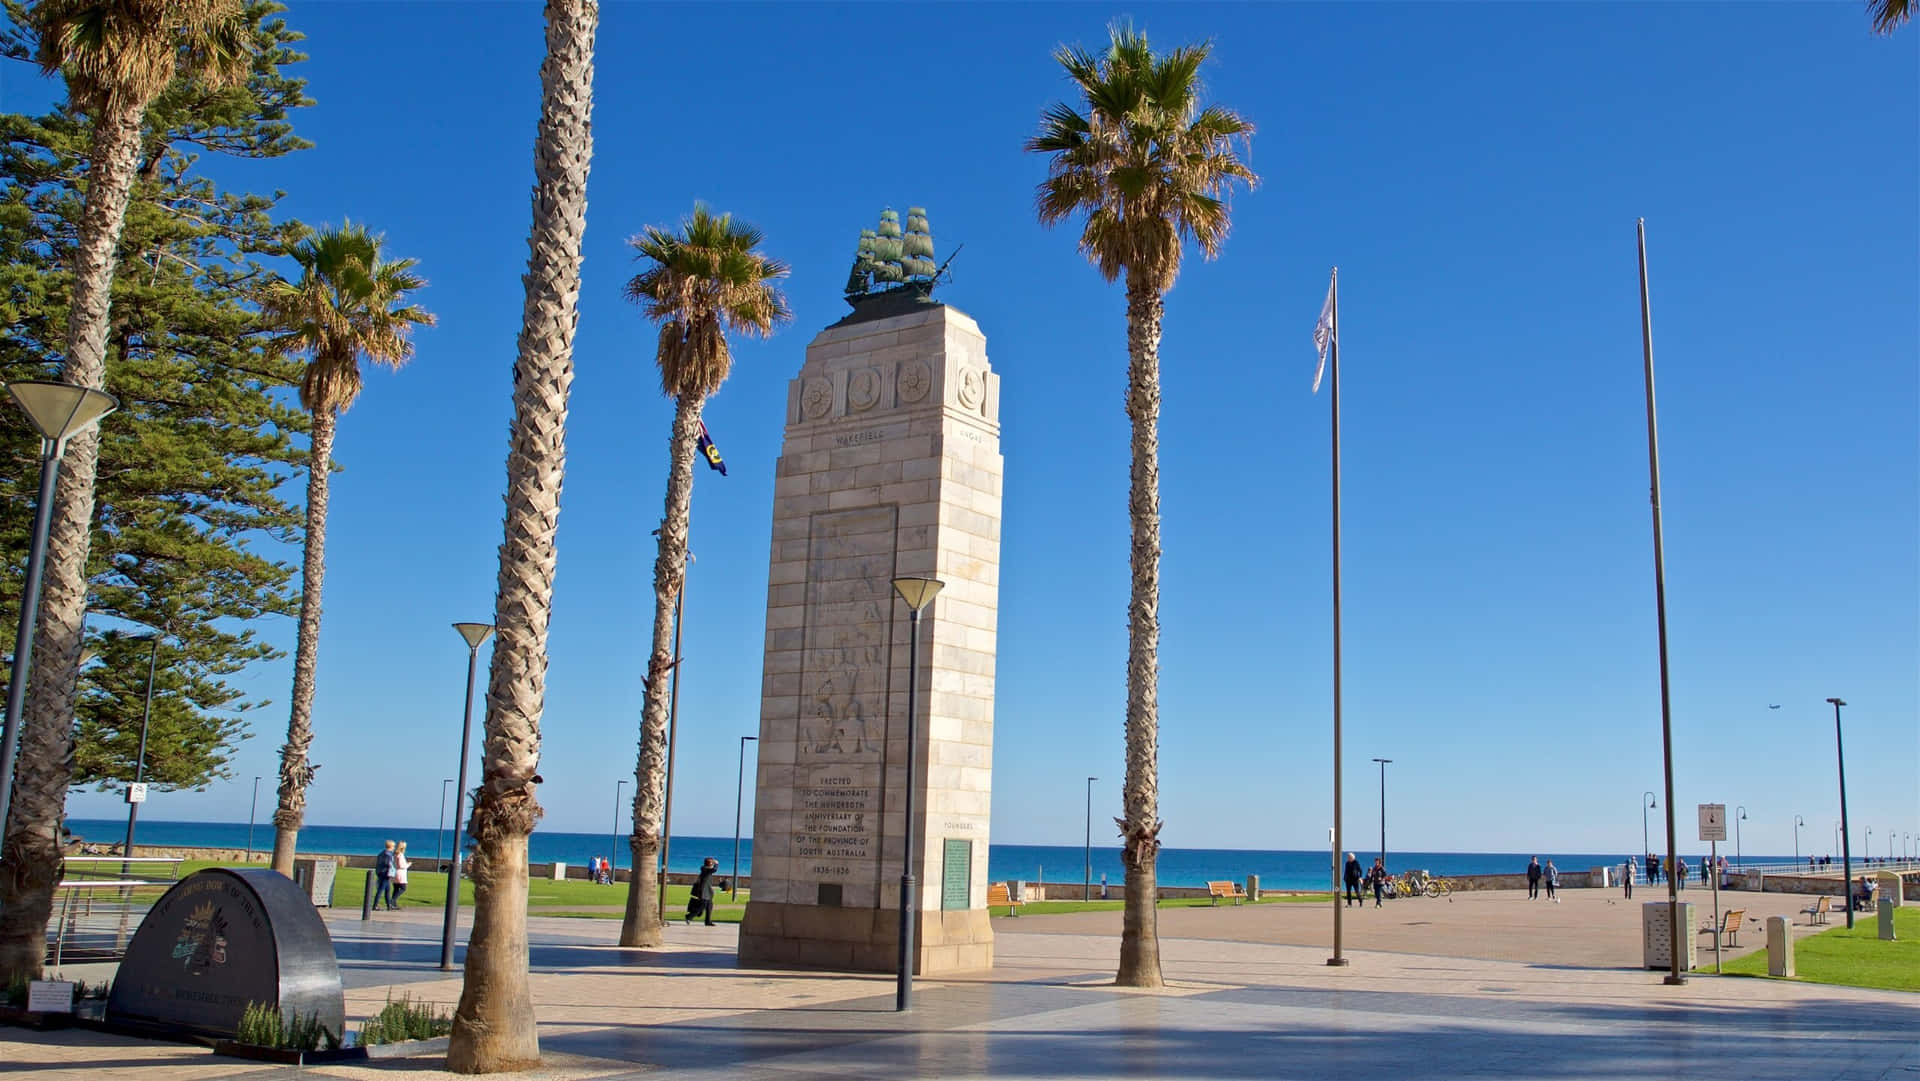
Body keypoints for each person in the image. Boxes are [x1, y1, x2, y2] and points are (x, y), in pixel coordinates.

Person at [687, 857, 719, 926]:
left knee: (709, 907)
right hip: (703, 892)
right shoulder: (705, 869)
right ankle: (689, 916)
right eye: (711, 863)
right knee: (701, 907)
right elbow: (714, 869)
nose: (712, 864)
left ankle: (708, 921)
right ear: (708, 864)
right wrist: (716, 863)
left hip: (708, 892)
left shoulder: (707, 870)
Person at [372, 840, 396, 911]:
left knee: (387, 890)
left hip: (381, 873)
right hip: (385, 873)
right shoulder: (388, 854)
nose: (394, 848)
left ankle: (389, 905)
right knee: (381, 890)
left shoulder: (381, 853)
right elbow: (388, 863)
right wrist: (392, 868)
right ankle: (375, 905)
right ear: (391, 846)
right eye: (394, 846)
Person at [389, 842, 411, 908]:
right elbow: (401, 865)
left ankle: (393, 904)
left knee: (395, 889)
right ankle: (392, 900)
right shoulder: (400, 855)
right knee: (403, 888)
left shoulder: (394, 854)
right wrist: (408, 864)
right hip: (400, 874)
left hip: (395, 873)